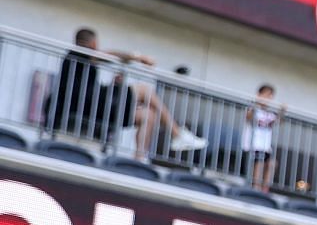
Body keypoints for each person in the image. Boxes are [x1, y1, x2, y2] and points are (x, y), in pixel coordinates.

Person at [56, 27, 206, 154]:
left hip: (98, 107)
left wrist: (114, 86)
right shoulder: (76, 54)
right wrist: (138, 57)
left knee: (148, 115)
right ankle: (177, 134)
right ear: (93, 43)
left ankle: (140, 158)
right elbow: (105, 56)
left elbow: (89, 89)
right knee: (145, 90)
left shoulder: (79, 64)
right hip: (91, 107)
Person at [241, 84, 283, 192]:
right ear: (259, 95)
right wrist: (257, 104)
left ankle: (264, 190)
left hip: (265, 147)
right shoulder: (252, 108)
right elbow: (248, 117)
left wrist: (282, 112)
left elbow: (277, 121)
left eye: (270, 96)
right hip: (252, 145)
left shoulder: (269, 113)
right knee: (259, 163)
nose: (268, 98)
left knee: (272, 164)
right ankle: (256, 189)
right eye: (266, 95)